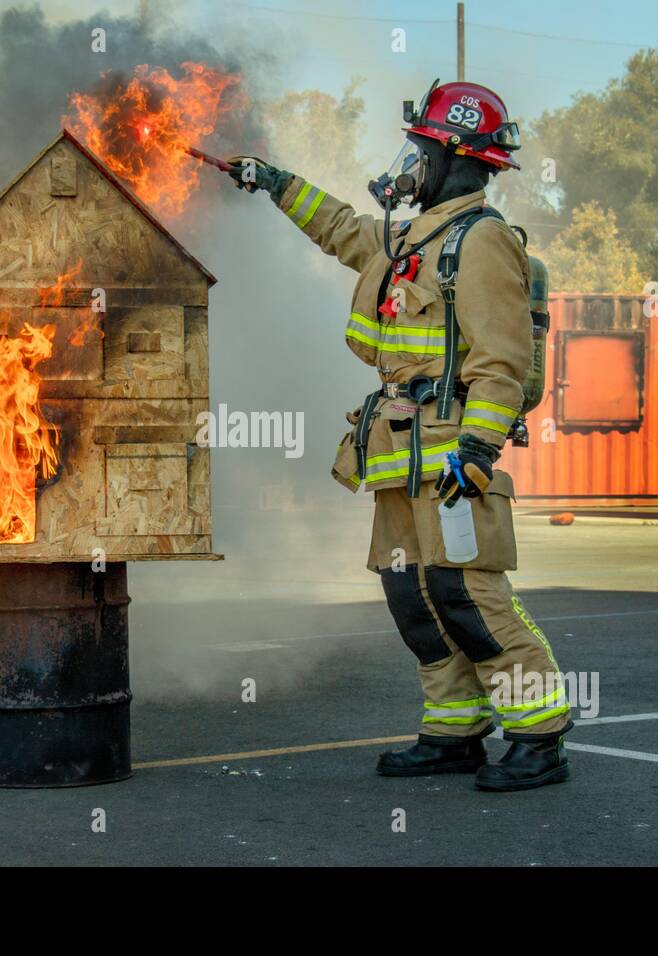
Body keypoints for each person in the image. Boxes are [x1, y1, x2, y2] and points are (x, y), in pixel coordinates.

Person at [226, 80, 571, 791]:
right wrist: (276, 183)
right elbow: (343, 229)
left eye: (417, 151)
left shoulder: (481, 242)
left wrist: (477, 452)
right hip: (394, 451)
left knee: (468, 593)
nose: (405, 163)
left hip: (449, 455)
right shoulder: (412, 238)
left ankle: (538, 736)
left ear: (451, 158)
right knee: (411, 593)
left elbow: (501, 360)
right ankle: (455, 729)